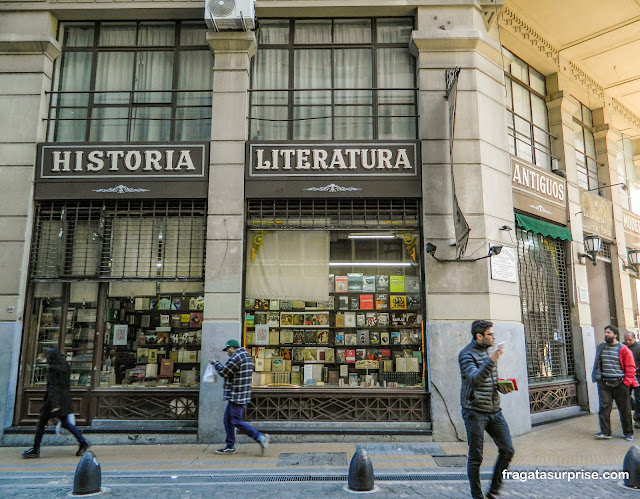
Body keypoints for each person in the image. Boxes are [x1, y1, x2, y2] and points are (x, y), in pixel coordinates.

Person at [459, 320, 514, 499]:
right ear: (479, 336)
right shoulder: (466, 355)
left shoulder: (488, 353)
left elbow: (487, 380)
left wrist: (501, 386)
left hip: (494, 410)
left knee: (508, 450)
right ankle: (477, 496)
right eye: (490, 334)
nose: (494, 337)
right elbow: (474, 379)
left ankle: (494, 490)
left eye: (493, 334)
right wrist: (491, 361)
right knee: (476, 457)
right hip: (474, 412)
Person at [22, 348, 91, 458]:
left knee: (41, 424)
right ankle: (82, 441)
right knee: (65, 423)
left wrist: (54, 405)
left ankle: (35, 449)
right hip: (65, 399)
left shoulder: (52, 369)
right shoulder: (65, 367)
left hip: (53, 401)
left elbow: (52, 387)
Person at [210, 339, 269, 455]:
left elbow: (224, 372)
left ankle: (260, 438)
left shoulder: (237, 357)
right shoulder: (246, 356)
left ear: (231, 348)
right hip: (240, 394)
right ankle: (230, 446)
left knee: (236, 421)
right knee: (228, 421)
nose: (227, 353)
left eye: (227, 350)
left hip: (237, 395)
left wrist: (215, 363)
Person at [592, 325, 638, 441]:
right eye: (605, 332)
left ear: (615, 334)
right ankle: (605, 432)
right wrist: (598, 378)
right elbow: (597, 363)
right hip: (605, 383)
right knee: (604, 407)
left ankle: (628, 432)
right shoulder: (601, 348)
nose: (606, 334)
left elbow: (630, 367)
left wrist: (626, 383)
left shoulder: (623, 349)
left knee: (624, 409)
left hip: (620, 383)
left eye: (608, 332)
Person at [624, 331, 640, 429]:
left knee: (638, 397)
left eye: (629, 339)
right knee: (625, 397)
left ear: (634, 338)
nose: (627, 341)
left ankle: (638, 419)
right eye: (626, 339)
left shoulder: (638, 348)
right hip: (625, 376)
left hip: (637, 376)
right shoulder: (623, 347)